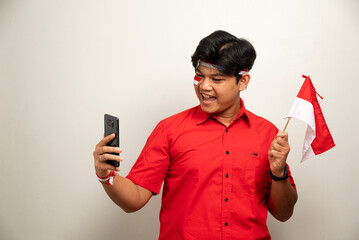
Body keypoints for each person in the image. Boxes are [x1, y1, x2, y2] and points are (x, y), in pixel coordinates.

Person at [93, 30, 298, 240]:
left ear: (243, 81)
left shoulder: (268, 134)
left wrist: (278, 172)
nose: (204, 86)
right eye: (199, 76)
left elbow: (284, 214)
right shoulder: (169, 129)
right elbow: (134, 199)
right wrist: (106, 175)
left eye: (216, 79)